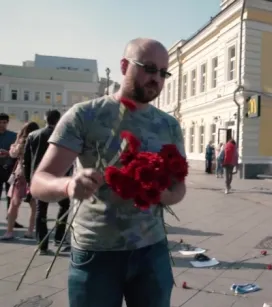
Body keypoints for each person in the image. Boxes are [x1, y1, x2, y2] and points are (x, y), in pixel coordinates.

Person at [30, 38, 186, 307]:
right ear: (124, 65)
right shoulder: (85, 115)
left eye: (163, 72)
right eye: (149, 68)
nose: (156, 79)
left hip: (151, 252)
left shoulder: (168, 125)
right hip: (96, 253)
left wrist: (159, 193)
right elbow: (39, 182)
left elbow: (178, 189)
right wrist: (69, 186)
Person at [24, 110, 72, 255]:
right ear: (59, 120)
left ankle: (42, 244)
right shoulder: (63, 135)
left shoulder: (33, 135)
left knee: (41, 210)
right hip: (60, 177)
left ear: (45, 119)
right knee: (64, 207)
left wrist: (29, 180)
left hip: (39, 178)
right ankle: (59, 238)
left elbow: (27, 161)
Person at [0, 122, 40, 240]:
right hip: (35, 176)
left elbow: (13, 154)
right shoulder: (40, 140)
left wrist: (16, 141)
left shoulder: (22, 142)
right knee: (34, 206)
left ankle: (9, 232)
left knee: (14, 204)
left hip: (21, 175)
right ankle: (30, 231)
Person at [0, 113, 23, 228]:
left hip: (10, 170)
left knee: (11, 196)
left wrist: (7, 153)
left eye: (4, 122)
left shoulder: (13, 136)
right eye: (0, 122)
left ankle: (11, 219)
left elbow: (18, 152)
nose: (2, 125)